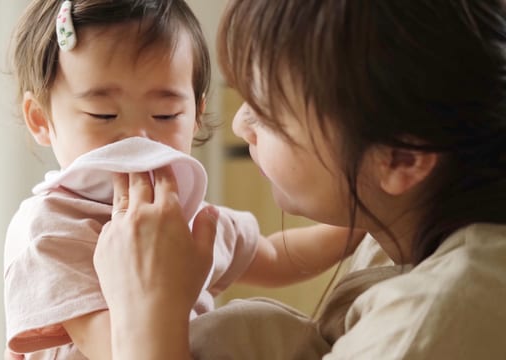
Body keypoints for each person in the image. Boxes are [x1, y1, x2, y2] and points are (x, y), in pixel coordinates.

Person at [92, 0, 506, 359]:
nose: (239, 125)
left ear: (401, 158)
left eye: (266, 111)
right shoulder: (400, 222)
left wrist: (144, 317)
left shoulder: (439, 319)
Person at [3, 1, 363, 359]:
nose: (138, 137)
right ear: (40, 120)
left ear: (195, 116)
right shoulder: (52, 230)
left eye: (165, 114)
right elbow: (116, 349)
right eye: (104, 114)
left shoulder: (187, 215)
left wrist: (360, 225)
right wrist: (165, 293)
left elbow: (273, 255)